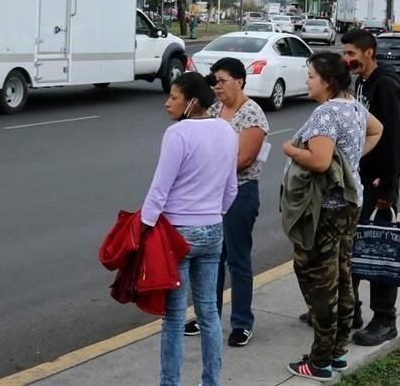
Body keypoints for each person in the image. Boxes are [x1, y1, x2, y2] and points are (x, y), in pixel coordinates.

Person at [282, 53, 383, 381]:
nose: (307, 81)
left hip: (324, 211)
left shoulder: (326, 114)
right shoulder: (353, 106)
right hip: (350, 205)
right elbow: (376, 129)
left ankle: (320, 360)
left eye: (311, 75)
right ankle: (338, 352)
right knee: (341, 275)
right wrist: (351, 161)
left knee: (321, 283)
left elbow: (321, 162)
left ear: (326, 80)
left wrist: (292, 150)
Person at [141, 72, 239, 386]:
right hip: (213, 230)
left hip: (177, 234)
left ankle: (170, 383)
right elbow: (231, 188)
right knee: (209, 312)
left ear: (192, 102)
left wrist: (145, 226)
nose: (168, 103)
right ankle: (211, 381)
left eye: (174, 97)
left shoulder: (178, 133)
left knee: (173, 318)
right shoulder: (227, 130)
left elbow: (160, 189)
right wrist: (214, 213)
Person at [184, 57, 269, 347]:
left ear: (240, 81)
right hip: (211, 195)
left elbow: (243, 160)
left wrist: (204, 166)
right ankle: (209, 315)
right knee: (211, 259)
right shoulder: (215, 110)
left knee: (237, 259)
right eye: (214, 82)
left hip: (240, 194)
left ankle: (242, 322)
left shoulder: (252, 115)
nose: (217, 87)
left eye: (222, 81)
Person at [342, 29, 400, 347]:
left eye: (352, 53)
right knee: (355, 245)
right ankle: (349, 310)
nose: (347, 59)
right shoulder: (363, 82)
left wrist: (388, 189)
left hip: (381, 184)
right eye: (345, 53)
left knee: (380, 251)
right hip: (362, 179)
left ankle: (385, 320)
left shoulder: (385, 84)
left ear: (369, 53)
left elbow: (393, 138)